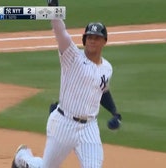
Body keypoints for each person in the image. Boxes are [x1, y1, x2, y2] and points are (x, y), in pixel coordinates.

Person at [11, 0, 122, 168]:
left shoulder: (107, 68)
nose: (92, 40)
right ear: (84, 40)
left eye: (97, 37)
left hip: (89, 128)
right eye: (89, 37)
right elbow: (60, 31)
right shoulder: (71, 56)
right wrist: (54, 11)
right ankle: (22, 157)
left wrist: (115, 112)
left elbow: (103, 91)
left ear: (104, 41)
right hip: (64, 124)